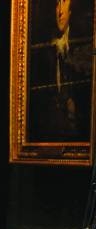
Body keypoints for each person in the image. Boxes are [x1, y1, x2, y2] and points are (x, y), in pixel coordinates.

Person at [28, 0, 92, 142]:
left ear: (72, 9)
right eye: (57, 3)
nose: (60, 11)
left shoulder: (85, 45)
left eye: (64, 2)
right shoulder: (39, 51)